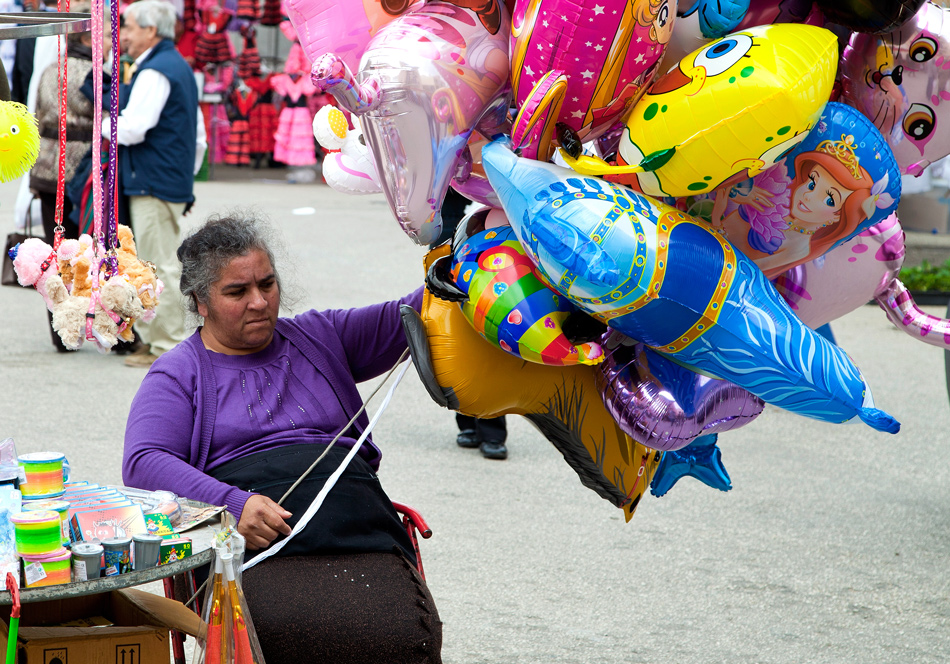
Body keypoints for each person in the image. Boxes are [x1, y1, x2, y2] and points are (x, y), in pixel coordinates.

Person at [122, 214, 442, 663]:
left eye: (267, 284)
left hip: (360, 530)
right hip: (256, 551)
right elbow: (144, 461)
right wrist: (233, 504)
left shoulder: (319, 336)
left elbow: (418, 312)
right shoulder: (179, 372)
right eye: (237, 292)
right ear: (200, 302)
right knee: (274, 631)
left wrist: (475, 247)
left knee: (409, 631)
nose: (259, 302)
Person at [106, 0, 207, 368]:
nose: (125, 34)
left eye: (129, 27)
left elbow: (132, 128)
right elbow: (199, 137)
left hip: (153, 180)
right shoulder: (173, 65)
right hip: (165, 178)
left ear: (151, 30)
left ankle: (166, 344)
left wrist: (99, 126)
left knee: (158, 264)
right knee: (155, 261)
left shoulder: (157, 70)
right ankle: (157, 340)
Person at [28, 2, 110, 352]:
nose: (109, 40)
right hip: (77, 175)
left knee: (54, 254)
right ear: (91, 38)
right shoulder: (90, 73)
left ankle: (61, 332)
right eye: (106, 34)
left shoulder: (50, 68)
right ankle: (80, 326)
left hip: (46, 170)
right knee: (81, 257)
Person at [712, 136, 875, 279]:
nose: (808, 195)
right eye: (812, 183)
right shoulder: (774, 202)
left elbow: (742, 271)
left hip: (712, 270)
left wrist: (717, 217)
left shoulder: (800, 248)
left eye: (829, 200)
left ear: (838, 216)